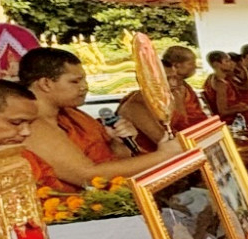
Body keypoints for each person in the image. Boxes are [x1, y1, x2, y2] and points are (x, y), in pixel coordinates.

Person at [16, 47, 181, 192]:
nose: (84, 87)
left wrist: (118, 144)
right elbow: (87, 176)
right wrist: (163, 156)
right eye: (75, 81)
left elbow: (110, 159)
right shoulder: (31, 125)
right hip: (73, 216)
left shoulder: (73, 115)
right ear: (45, 83)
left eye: (84, 79)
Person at [117, 45, 208, 153]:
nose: (174, 84)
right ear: (148, 82)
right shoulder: (135, 106)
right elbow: (166, 142)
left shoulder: (174, 94)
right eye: (167, 79)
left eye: (175, 77)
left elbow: (184, 126)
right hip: (149, 160)